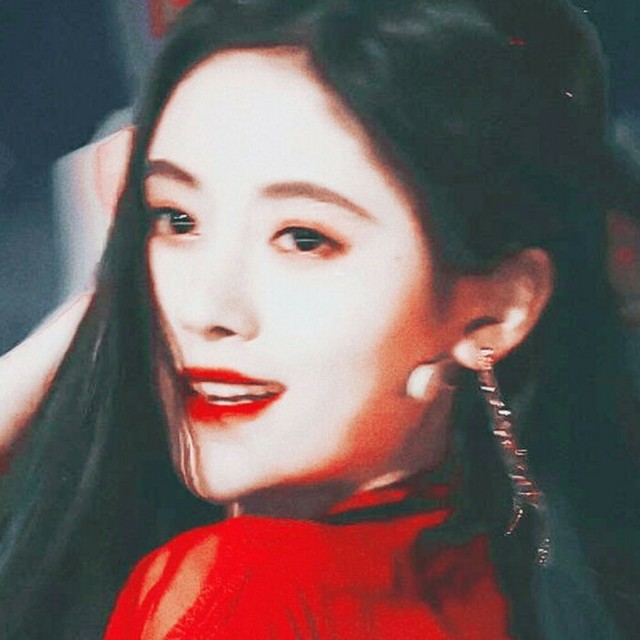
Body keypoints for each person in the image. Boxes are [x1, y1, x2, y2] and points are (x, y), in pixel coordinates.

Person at [1, 0, 639, 638]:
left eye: (305, 239)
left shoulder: (243, 587)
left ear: (497, 309)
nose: (204, 310)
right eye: (177, 219)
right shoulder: (510, 560)